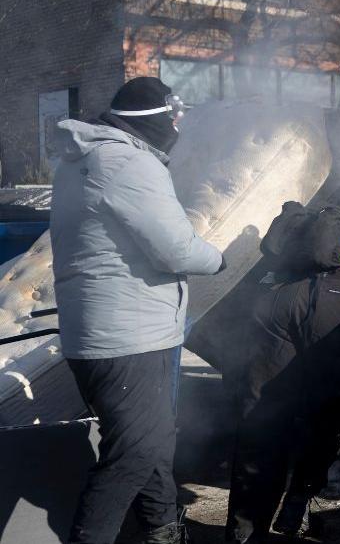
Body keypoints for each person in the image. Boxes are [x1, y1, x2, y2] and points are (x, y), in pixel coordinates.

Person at [50, 77, 223, 544]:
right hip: (130, 338)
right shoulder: (129, 162)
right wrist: (220, 258)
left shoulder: (80, 160)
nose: (178, 124)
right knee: (132, 454)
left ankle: (163, 528)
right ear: (153, 117)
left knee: (151, 441)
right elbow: (177, 249)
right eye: (173, 115)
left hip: (97, 332)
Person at [227, 167, 340, 544]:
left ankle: (245, 533)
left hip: (272, 313)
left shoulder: (311, 219)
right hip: (331, 321)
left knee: (263, 421)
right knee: (334, 414)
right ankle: (299, 497)